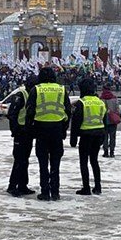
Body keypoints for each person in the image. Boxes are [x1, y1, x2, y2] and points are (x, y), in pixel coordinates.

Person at [25, 67, 71, 201]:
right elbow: (68, 111)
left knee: (43, 163)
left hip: (41, 130)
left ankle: (45, 192)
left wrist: (30, 130)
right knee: (56, 163)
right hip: (57, 130)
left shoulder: (36, 90)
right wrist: (63, 129)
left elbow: (30, 112)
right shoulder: (62, 90)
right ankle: (55, 192)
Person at [70, 78, 105, 195]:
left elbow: (76, 123)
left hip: (86, 135)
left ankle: (86, 187)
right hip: (99, 134)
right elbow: (104, 119)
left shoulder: (82, 102)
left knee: (84, 162)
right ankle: (98, 187)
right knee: (94, 161)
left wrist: (73, 139)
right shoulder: (100, 102)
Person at [6, 75, 37, 197]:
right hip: (20, 132)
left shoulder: (31, 94)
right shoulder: (21, 95)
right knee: (19, 160)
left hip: (28, 132)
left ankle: (23, 185)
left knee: (25, 160)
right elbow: (12, 114)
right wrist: (16, 130)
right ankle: (13, 186)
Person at [100, 85, 120, 158]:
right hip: (113, 120)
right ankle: (112, 152)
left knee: (105, 137)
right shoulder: (114, 98)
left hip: (104, 120)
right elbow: (117, 109)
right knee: (112, 137)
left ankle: (105, 152)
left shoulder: (101, 98)